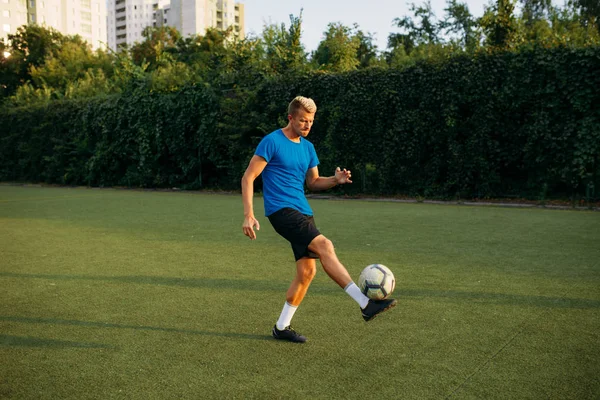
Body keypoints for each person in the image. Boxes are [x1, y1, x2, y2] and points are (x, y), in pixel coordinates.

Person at [241, 96, 396, 343]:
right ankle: (365, 304)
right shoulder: (271, 142)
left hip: (303, 211)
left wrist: (335, 180)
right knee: (325, 246)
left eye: (311, 121)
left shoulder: (308, 148)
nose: (307, 125)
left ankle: (281, 327)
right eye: (303, 120)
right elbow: (248, 177)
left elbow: (313, 182)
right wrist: (249, 214)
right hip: (281, 211)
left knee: (306, 272)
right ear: (290, 117)